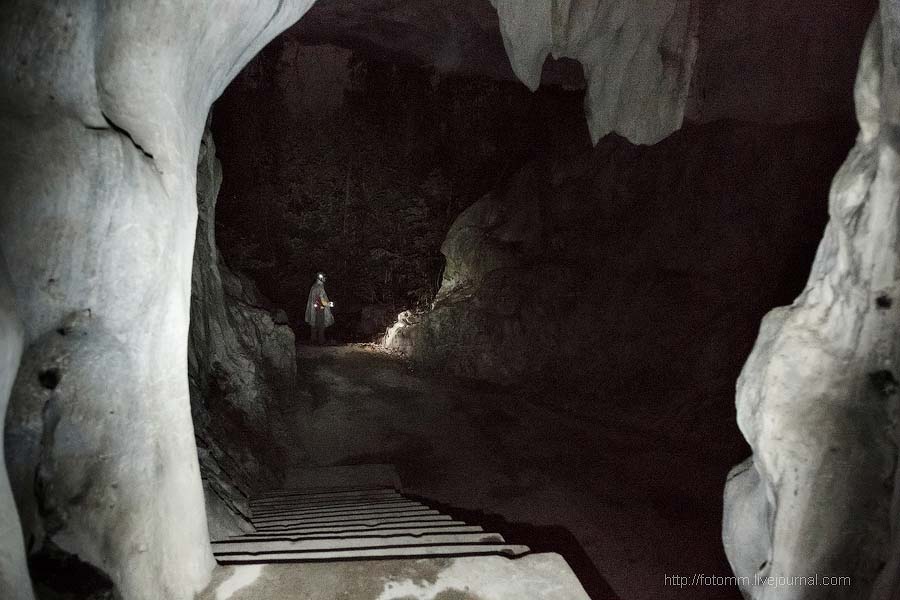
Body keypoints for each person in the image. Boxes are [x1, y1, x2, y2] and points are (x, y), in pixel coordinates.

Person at [305, 272, 334, 345]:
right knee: (321, 325)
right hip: (320, 309)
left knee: (314, 324)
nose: (325, 279)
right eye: (324, 278)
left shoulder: (314, 286)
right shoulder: (320, 287)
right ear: (321, 278)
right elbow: (321, 299)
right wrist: (329, 304)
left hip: (315, 308)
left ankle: (313, 340)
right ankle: (321, 341)